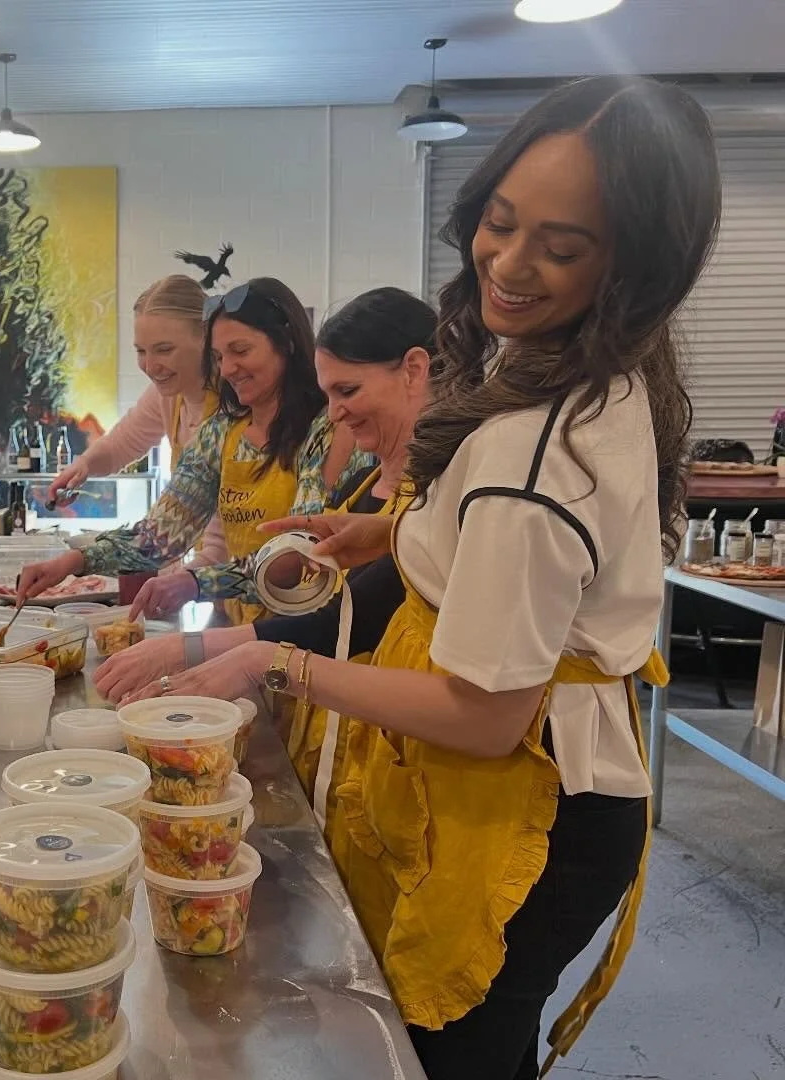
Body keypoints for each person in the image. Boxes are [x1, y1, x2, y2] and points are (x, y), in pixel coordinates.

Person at [137, 77, 721, 1079]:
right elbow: (507, 560)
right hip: (547, 781)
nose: (512, 263)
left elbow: (486, 713)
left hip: (535, 803)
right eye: (502, 222)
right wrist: (391, 535)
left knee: (459, 1049)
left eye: (562, 247)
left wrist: (276, 662)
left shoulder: (535, 453)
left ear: (635, 264)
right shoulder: (578, 374)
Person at [97, 288, 437, 815]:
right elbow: (317, 596)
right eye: (219, 356)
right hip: (317, 698)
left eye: (347, 390)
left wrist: (206, 638)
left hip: (390, 729)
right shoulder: (362, 481)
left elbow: (342, 612)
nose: (337, 411)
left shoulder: (427, 487)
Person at [18, 277, 373, 625]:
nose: (228, 369)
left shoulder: (329, 429)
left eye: (241, 351)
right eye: (218, 356)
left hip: (313, 631)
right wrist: (73, 562)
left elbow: (297, 557)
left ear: (287, 343)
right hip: (243, 626)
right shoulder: (221, 431)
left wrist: (196, 583)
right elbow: (159, 537)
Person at [47, 274, 227, 564]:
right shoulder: (168, 396)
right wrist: (84, 465)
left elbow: (220, 542)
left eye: (164, 350)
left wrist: (183, 580)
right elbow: (121, 444)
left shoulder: (232, 411)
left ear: (206, 338)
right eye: (141, 351)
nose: (150, 366)